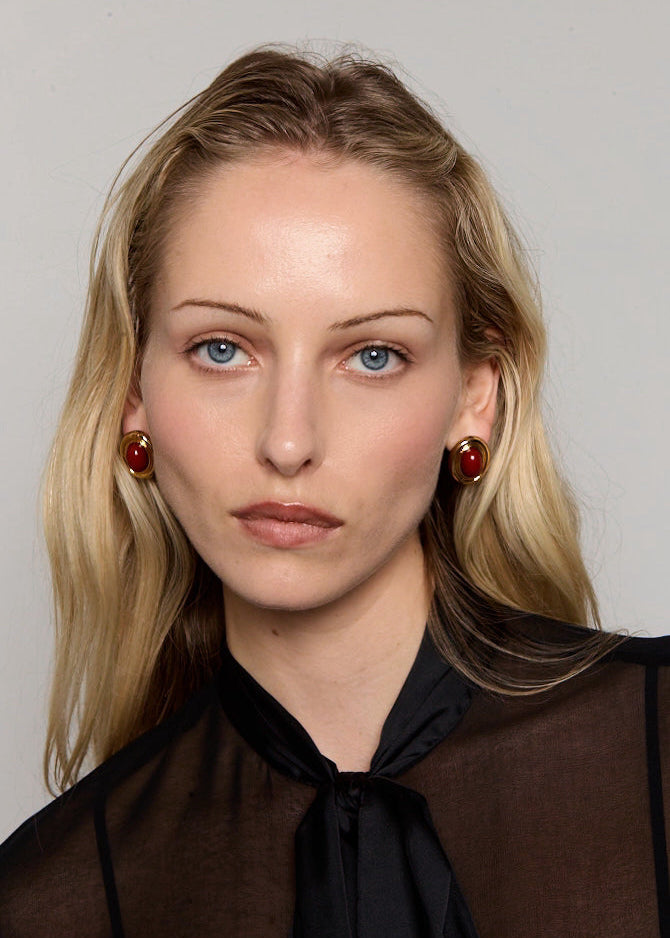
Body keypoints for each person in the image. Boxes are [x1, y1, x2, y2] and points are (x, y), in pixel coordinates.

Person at [0, 44, 668, 938]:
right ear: (133, 395)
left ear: (476, 397)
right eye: (222, 350)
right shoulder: (49, 896)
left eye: (373, 356)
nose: (287, 442)